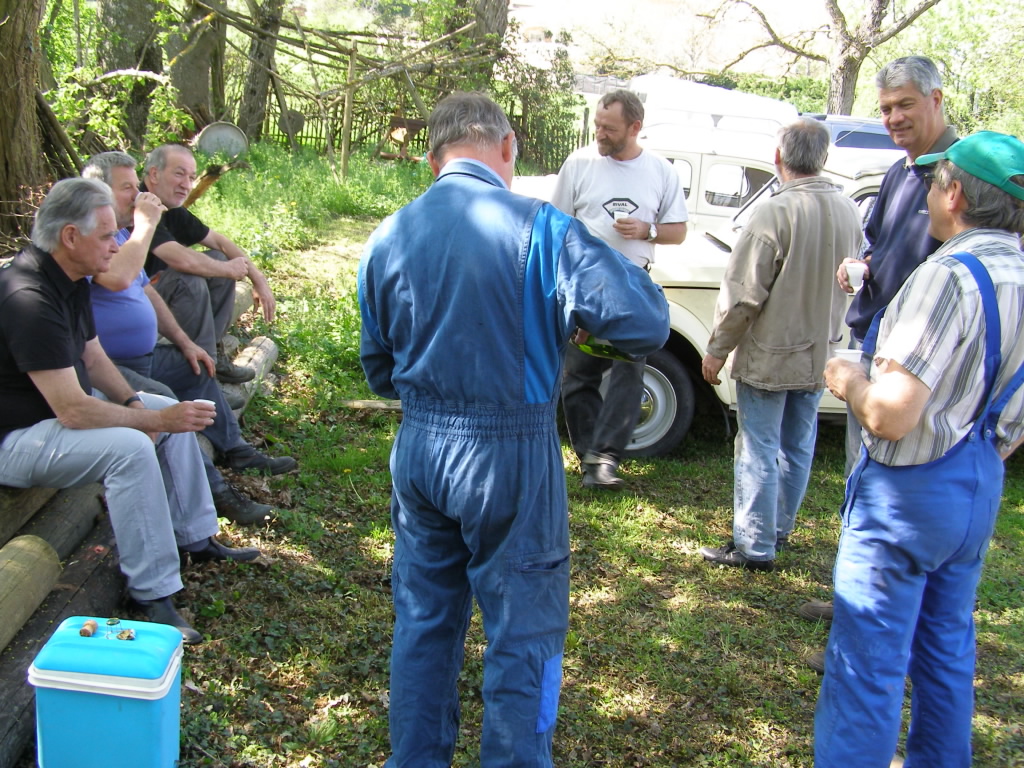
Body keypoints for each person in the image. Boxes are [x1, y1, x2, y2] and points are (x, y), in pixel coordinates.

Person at [359, 92, 668, 768]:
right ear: (507, 149)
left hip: (420, 450)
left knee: (423, 624)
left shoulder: (388, 234)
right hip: (509, 457)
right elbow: (645, 322)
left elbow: (379, 371)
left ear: (432, 155)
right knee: (523, 632)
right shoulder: (544, 227)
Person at [815, 131, 1024, 768]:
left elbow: (891, 413)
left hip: (907, 495)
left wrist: (846, 377)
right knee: (947, 651)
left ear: (955, 193)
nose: (927, 196)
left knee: (867, 665)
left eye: (934, 185)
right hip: (979, 479)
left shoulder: (948, 276)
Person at [0, 178, 262, 644]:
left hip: (59, 417)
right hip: (19, 437)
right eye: (106, 236)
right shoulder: (28, 297)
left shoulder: (70, 277)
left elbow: (95, 357)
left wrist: (134, 402)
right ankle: (153, 592)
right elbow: (73, 412)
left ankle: (196, 538)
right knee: (131, 447)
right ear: (69, 236)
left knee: (172, 410)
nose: (115, 245)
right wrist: (150, 423)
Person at [798, 54, 960, 655]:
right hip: (872, 347)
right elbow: (884, 250)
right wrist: (859, 268)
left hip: (918, 364)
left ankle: (869, 635)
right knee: (859, 486)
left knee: (894, 503)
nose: (892, 118)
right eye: (885, 108)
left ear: (936, 100)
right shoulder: (897, 173)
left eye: (905, 106)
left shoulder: (956, 175)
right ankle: (850, 601)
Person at [82, 152, 296, 521]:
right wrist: (146, 223)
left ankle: (236, 449)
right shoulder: (92, 236)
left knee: (195, 365)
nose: (137, 196)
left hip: (144, 354)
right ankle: (218, 494)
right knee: (166, 403)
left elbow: (143, 291)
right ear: (97, 192)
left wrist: (185, 341)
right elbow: (118, 279)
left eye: (137, 187)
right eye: (128, 188)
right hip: (106, 368)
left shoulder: (120, 232)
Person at [698, 118, 863, 571]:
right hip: (819, 352)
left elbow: (744, 294)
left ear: (778, 158)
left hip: (771, 353)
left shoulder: (775, 211)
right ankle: (776, 530)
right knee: (797, 445)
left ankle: (754, 544)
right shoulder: (849, 210)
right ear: (823, 159)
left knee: (759, 448)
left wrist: (716, 349)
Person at [551, 88, 688, 489]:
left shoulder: (661, 171)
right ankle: (588, 456)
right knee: (578, 374)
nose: (600, 134)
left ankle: (605, 457)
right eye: (597, 125)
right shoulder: (579, 164)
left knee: (630, 369)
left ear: (635, 127)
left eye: (609, 128)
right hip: (587, 284)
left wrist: (649, 230)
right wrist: (570, 298)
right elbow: (558, 228)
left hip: (633, 285)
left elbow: (678, 232)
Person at [141, 143, 276, 383]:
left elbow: (220, 242)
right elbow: (178, 257)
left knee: (220, 259)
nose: (187, 184)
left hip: (156, 296)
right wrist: (228, 270)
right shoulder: (142, 205)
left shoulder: (170, 208)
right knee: (189, 277)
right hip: (133, 306)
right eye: (179, 173)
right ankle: (204, 377)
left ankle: (211, 354)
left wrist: (258, 279)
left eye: (192, 177)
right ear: (154, 174)